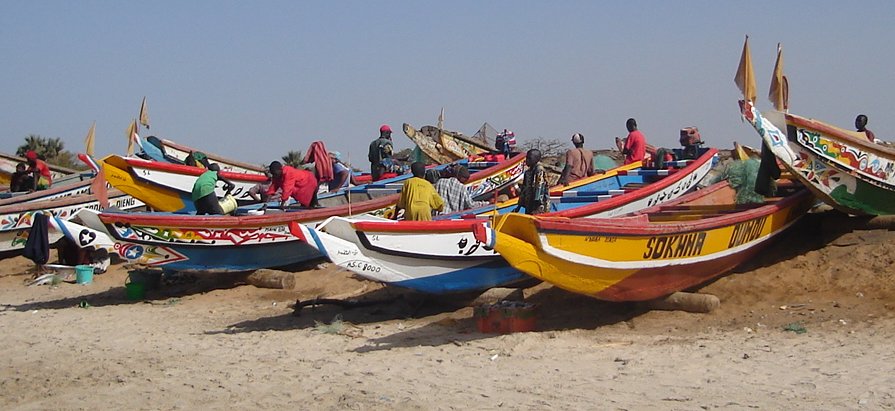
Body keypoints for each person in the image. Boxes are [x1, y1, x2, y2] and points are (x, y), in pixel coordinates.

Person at [514, 149, 550, 215]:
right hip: (529, 206)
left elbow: (539, 189)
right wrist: (519, 206)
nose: (526, 160)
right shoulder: (528, 172)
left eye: (529, 158)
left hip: (539, 207)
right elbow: (524, 190)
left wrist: (537, 208)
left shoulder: (539, 170)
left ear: (536, 159)